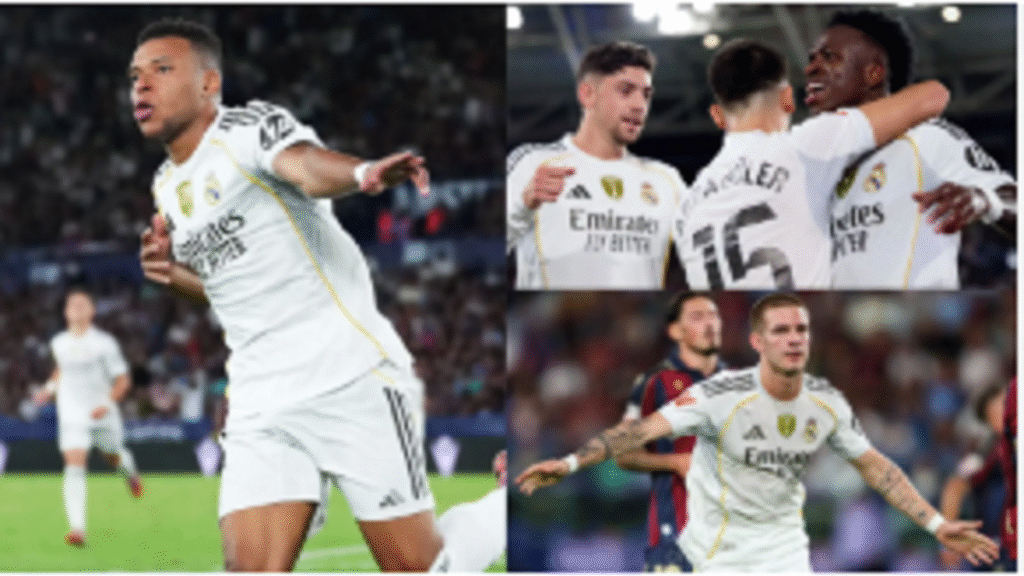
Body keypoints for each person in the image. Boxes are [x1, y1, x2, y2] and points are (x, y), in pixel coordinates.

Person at [130, 19, 505, 571]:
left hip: (349, 374)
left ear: (210, 83)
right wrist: (171, 271)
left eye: (161, 71)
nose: (141, 86)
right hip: (262, 398)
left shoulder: (245, 130)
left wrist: (362, 172)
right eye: (135, 76)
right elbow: (225, 286)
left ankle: (506, 506)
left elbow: (303, 165)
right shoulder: (166, 186)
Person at [517, 293, 999, 572]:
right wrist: (571, 462)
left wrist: (937, 525)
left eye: (801, 330)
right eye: (782, 330)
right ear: (757, 341)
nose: (794, 340)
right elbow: (636, 433)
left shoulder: (825, 401)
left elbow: (877, 467)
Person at [675, 39, 948, 289]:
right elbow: (933, 96)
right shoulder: (806, 146)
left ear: (717, 115)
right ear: (788, 99)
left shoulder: (686, 206)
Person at [805, 9, 1017, 288]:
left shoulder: (926, 138)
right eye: (811, 59)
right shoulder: (819, 171)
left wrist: (983, 200)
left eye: (829, 57)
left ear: (873, 74)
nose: (811, 68)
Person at [506, 41, 687, 289]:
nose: (640, 106)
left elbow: (713, 246)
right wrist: (523, 205)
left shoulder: (666, 179)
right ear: (587, 94)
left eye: (646, 94)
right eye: (626, 91)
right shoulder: (532, 163)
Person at [617, 292, 724, 571]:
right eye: (697, 317)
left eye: (713, 316)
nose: (709, 324)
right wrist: (675, 462)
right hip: (675, 539)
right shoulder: (657, 382)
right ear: (676, 330)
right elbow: (623, 453)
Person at [33, 289, 144, 547]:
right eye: (72, 304)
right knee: (74, 463)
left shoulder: (105, 343)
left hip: (103, 413)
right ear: (65, 312)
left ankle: (130, 473)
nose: (77, 307)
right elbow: (61, 369)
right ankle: (77, 529)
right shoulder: (58, 342)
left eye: (83, 303)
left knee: (114, 456)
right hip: (72, 414)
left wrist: (106, 405)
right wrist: (48, 390)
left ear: (92, 311)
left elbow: (123, 380)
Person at [938, 384, 1012, 571]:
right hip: (998, 550)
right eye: (1004, 404)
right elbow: (955, 487)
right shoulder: (985, 452)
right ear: (990, 415)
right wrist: (950, 540)